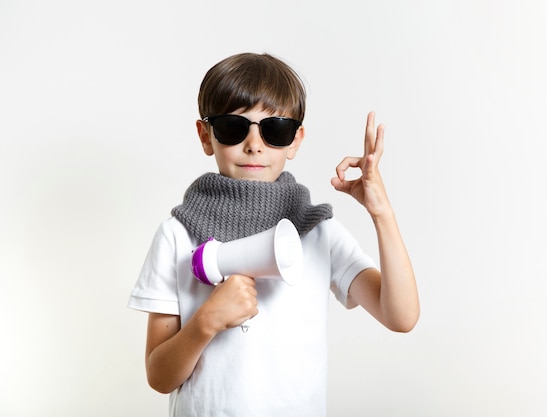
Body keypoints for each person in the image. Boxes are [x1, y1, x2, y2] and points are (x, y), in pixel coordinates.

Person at [128, 52, 420, 417]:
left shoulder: (318, 233)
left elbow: (401, 316)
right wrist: (207, 322)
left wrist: (382, 213)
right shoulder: (177, 234)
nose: (254, 144)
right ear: (206, 136)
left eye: (275, 129)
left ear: (295, 140)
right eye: (234, 128)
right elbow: (159, 377)